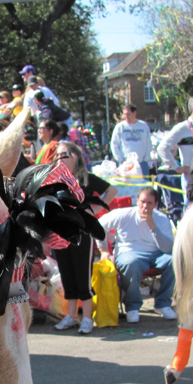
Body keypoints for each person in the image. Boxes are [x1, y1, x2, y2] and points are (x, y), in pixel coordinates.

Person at [52, 141, 117, 334]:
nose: (60, 158)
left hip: (81, 232)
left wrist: (95, 210)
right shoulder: (54, 179)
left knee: (82, 274)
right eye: (57, 155)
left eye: (64, 154)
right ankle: (71, 316)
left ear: (75, 157)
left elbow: (112, 191)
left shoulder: (85, 178)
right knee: (66, 273)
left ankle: (87, 317)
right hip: (61, 232)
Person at [97, 187, 176, 323]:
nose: (145, 206)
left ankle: (163, 303)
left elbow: (168, 248)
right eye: (143, 202)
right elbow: (97, 226)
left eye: (150, 203)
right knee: (131, 263)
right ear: (137, 201)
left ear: (156, 204)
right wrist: (104, 249)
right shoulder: (124, 214)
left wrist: (153, 227)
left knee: (175, 261)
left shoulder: (162, 219)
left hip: (156, 253)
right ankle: (132, 306)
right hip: (129, 252)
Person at [156, 95, 193, 192]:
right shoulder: (182, 128)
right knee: (190, 204)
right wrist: (177, 167)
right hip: (191, 175)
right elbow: (162, 148)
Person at [110, 104, 152, 175]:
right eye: (125, 114)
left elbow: (149, 143)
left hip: (141, 163)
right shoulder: (120, 127)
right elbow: (114, 144)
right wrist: (120, 160)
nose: (126, 116)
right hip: (125, 164)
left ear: (134, 113)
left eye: (128, 114)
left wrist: (146, 159)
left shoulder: (143, 126)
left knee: (144, 185)